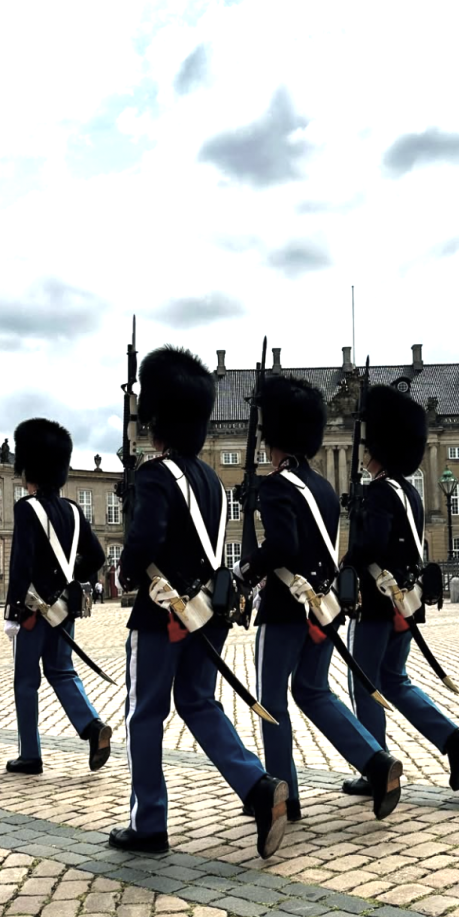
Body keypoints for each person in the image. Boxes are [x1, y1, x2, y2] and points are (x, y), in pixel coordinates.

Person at [109, 345, 288, 860]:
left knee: (145, 713)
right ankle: (256, 786)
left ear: (156, 420)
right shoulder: (210, 479)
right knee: (198, 702)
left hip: (163, 613)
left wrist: (124, 572)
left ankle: (149, 823)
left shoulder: (155, 475)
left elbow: (145, 540)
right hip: (208, 610)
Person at [236, 374, 403, 823]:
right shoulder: (324, 488)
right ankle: (376, 760)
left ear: (274, 437)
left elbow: (282, 547)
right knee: (313, 690)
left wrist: (245, 571)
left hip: (284, 609)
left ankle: (284, 797)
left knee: (272, 701)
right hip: (322, 609)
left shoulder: (277, 486)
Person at [341, 384, 459, 798]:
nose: (364, 457)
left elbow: (371, 545)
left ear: (377, 451)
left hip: (375, 603)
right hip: (405, 601)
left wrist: (346, 560)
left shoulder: (379, 492)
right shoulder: (410, 492)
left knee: (366, 683)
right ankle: (454, 740)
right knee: (395, 680)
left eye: (368, 450)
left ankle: (376, 765)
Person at [3, 418, 113, 776]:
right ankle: (92, 727)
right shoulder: (74, 511)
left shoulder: (26, 508)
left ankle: (30, 754)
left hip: (33, 610)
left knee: (26, 681)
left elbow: (20, 563)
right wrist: (68, 580)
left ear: (28, 470)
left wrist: (12, 611)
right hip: (64, 609)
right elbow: (96, 557)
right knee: (62, 671)